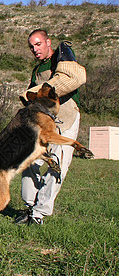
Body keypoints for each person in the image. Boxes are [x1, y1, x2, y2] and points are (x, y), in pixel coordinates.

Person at [16, 29, 86, 225]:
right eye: (31, 46)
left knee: (58, 163)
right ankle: (30, 206)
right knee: (31, 161)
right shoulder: (37, 70)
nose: (34, 49)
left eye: (38, 44)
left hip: (66, 116)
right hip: (42, 122)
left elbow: (72, 78)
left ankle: (39, 213)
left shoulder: (62, 62)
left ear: (48, 42)